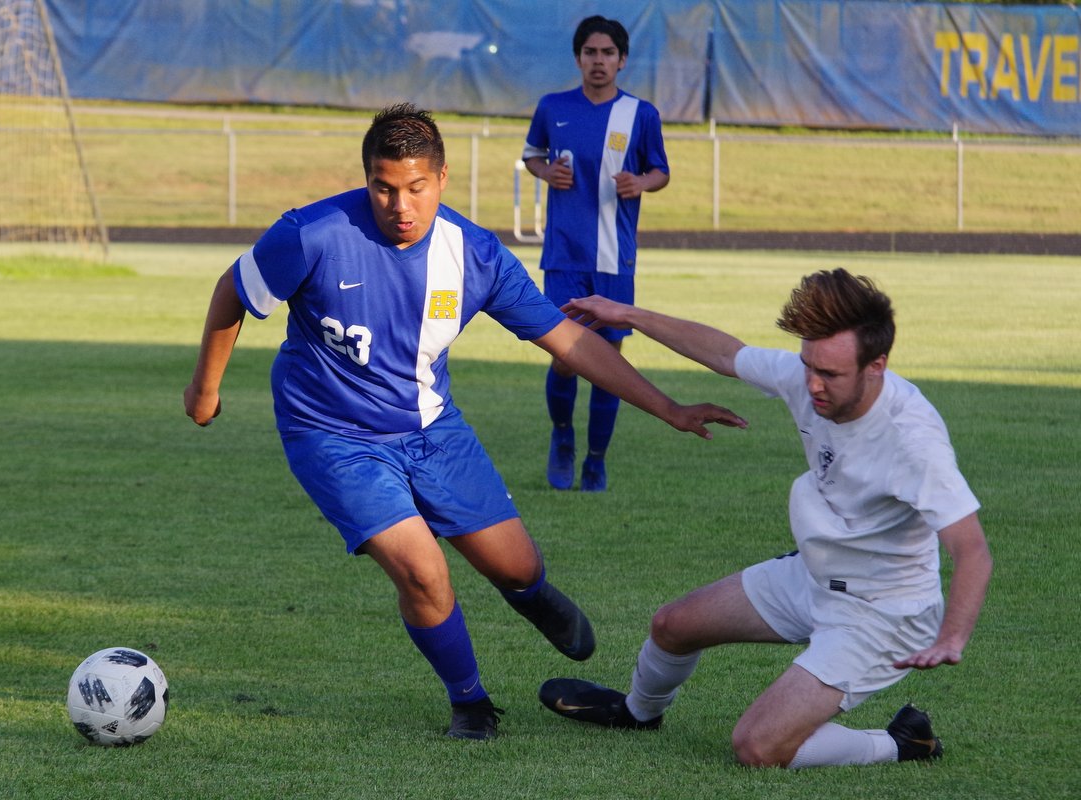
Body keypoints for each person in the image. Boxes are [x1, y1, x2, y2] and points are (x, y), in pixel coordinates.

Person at [184, 104, 746, 742]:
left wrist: (669, 408)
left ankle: (530, 592)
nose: (400, 206)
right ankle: (471, 701)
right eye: (383, 188)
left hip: (431, 428)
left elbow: (569, 341)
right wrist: (205, 388)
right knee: (422, 570)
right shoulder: (310, 233)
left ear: (443, 178)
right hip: (331, 434)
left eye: (416, 187)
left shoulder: (474, 254)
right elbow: (233, 291)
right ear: (366, 179)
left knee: (516, 567)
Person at [540, 269, 992, 768]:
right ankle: (638, 713)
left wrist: (952, 637)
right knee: (673, 625)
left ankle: (903, 742)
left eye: (830, 374)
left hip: (883, 613)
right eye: (807, 366)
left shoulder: (912, 441)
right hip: (816, 575)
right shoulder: (809, 376)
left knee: (757, 747)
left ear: (876, 366)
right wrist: (628, 315)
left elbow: (971, 549)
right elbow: (724, 354)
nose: (813, 385)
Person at [522, 15, 671, 492]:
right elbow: (532, 154)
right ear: (578, 58)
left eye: (608, 53)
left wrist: (640, 183)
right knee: (565, 357)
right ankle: (563, 437)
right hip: (564, 254)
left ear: (622, 60)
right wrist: (546, 173)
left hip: (614, 258)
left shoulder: (641, 114)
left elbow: (661, 171)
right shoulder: (553, 107)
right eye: (591, 52)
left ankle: (596, 460)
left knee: (609, 363)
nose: (599, 61)